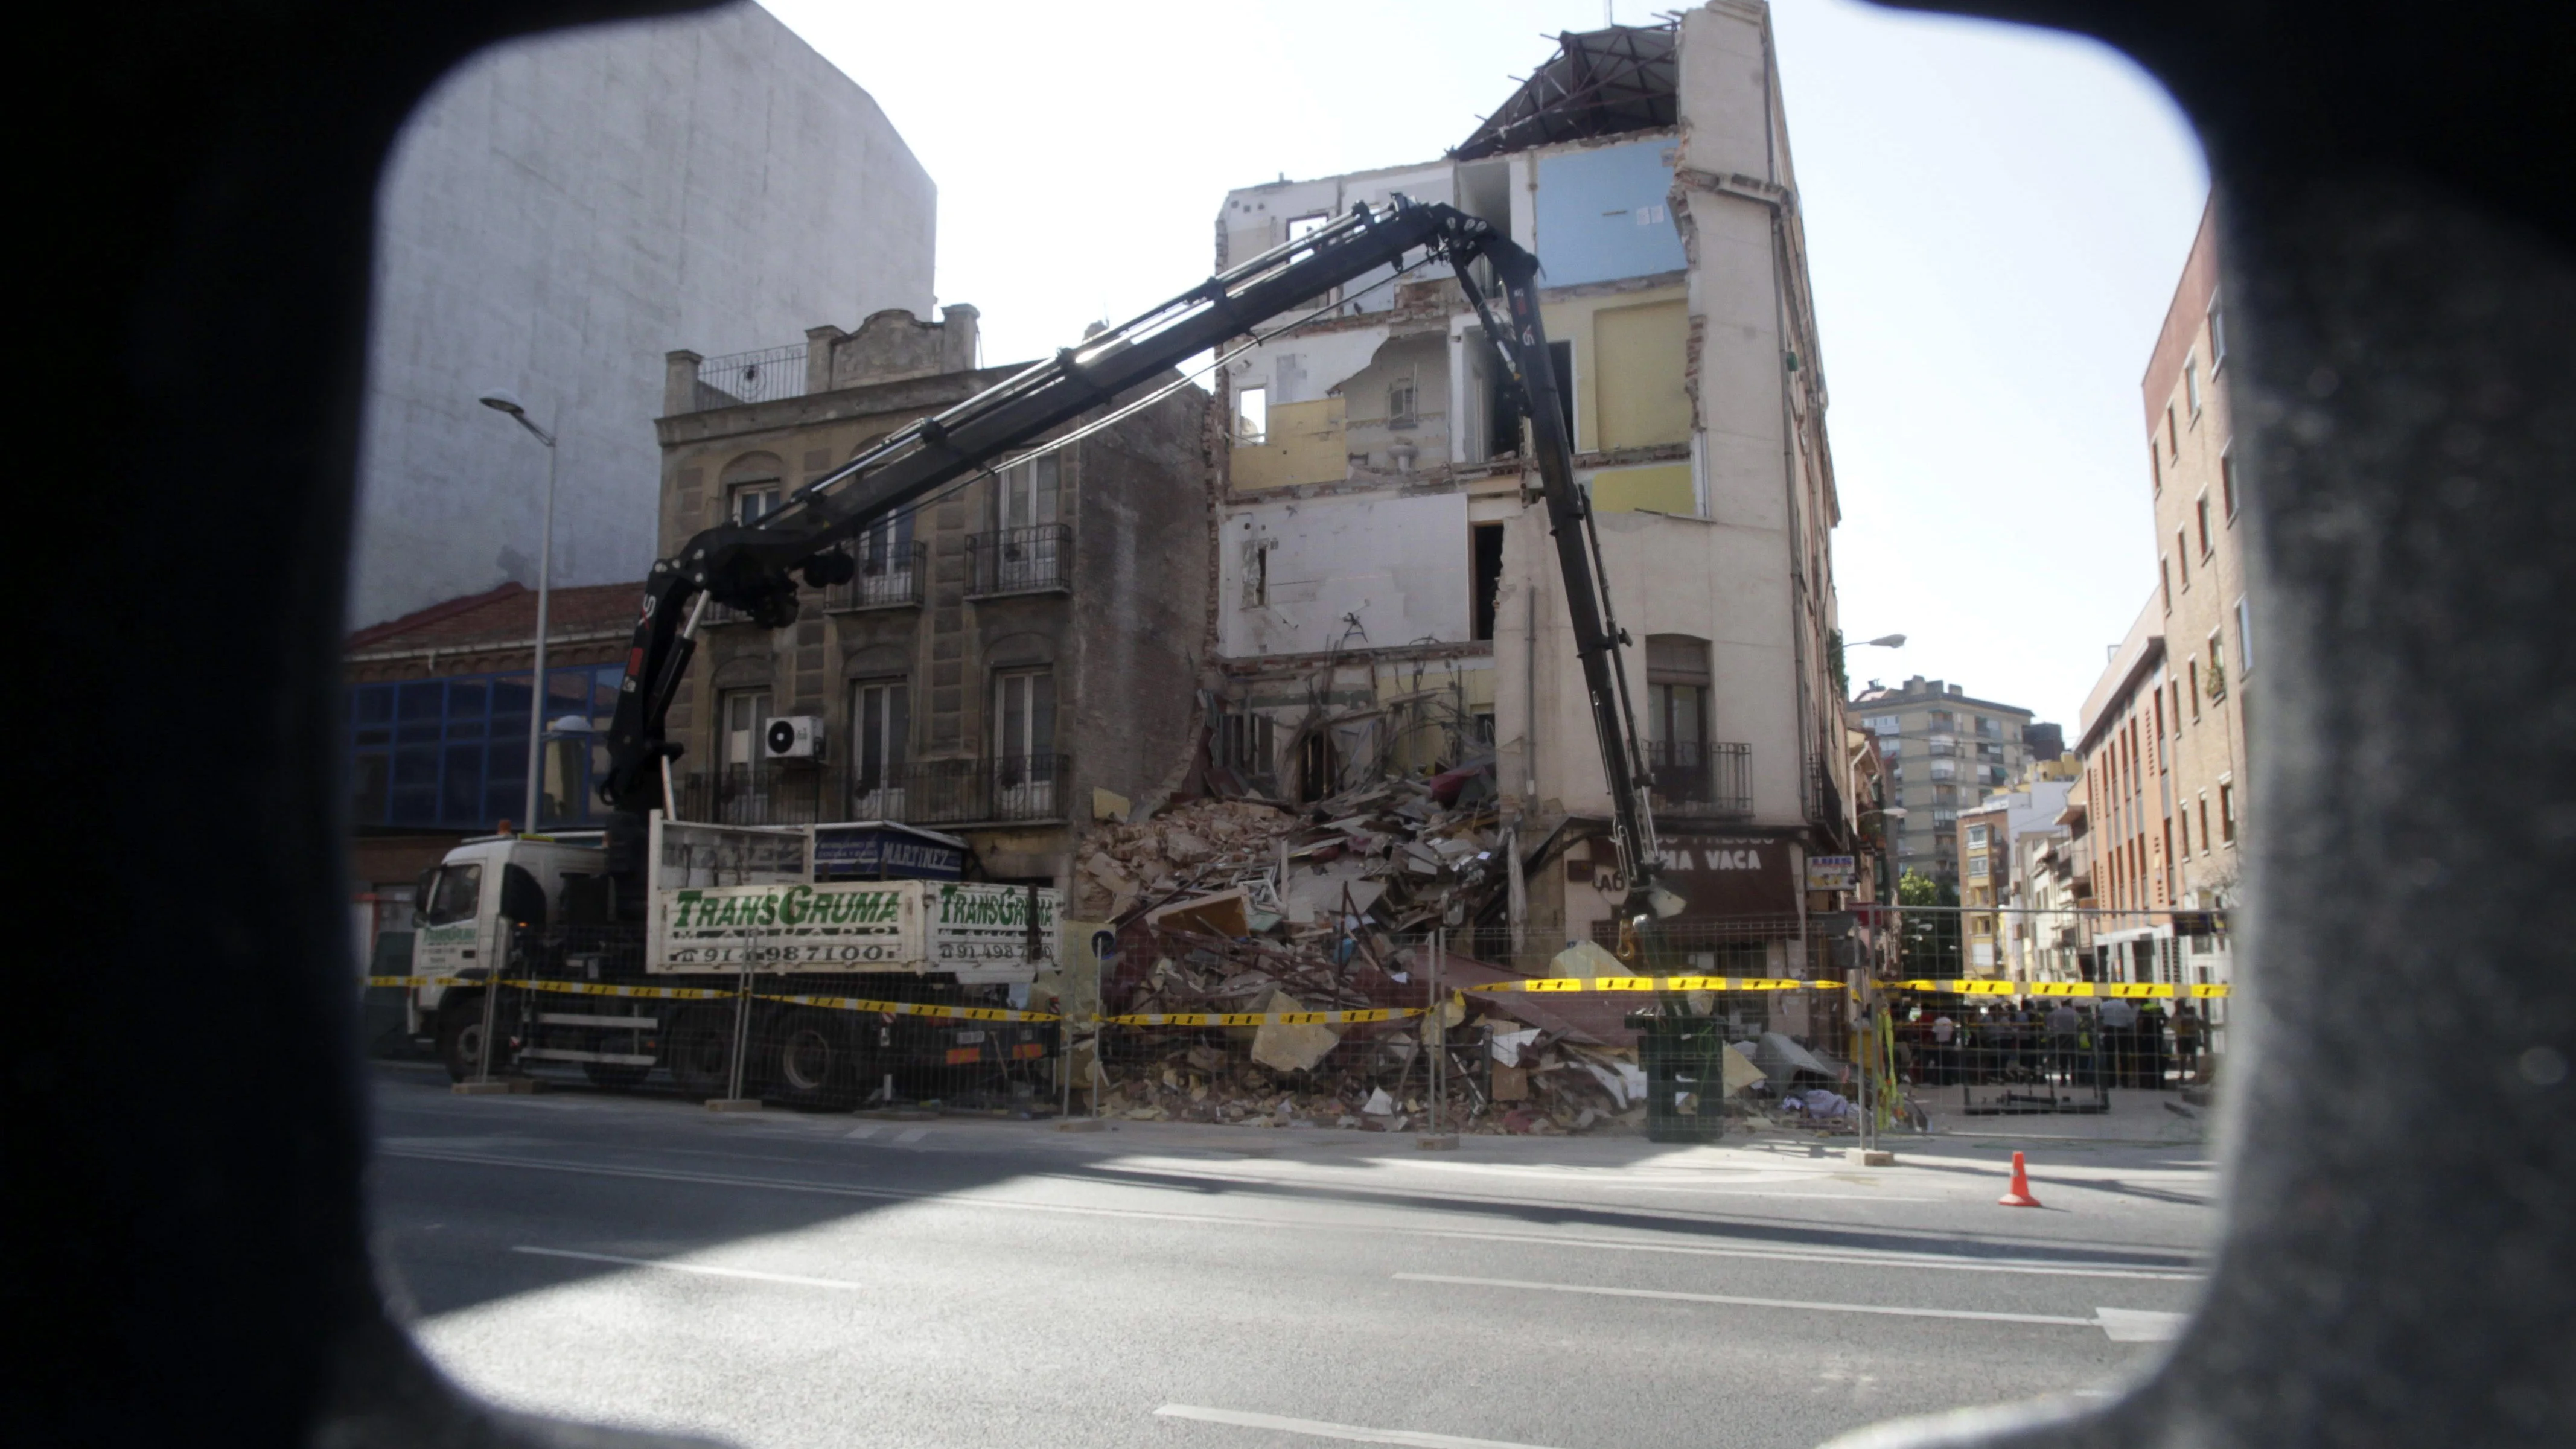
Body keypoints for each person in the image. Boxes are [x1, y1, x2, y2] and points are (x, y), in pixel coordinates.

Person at [2099, 994, 2139, 1086]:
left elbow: (2100, 1018)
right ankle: (2124, 1081)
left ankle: (2112, 1081)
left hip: (2109, 1030)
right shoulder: (2125, 1006)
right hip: (2123, 1031)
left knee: (2110, 1057)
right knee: (2123, 1056)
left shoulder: (2105, 1005)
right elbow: (2131, 1022)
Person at [2047, 1000, 2082, 1086]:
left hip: (2060, 1037)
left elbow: (2049, 1023)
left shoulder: (2055, 1013)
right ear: (2070, 1004)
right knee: (2073, 1059)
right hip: (2072, 1037)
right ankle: (2074, 1080)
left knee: (2062, 1059)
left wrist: (2056, 1030)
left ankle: (2063, 1080)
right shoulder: (2074, 1013)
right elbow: (2079, 1024)